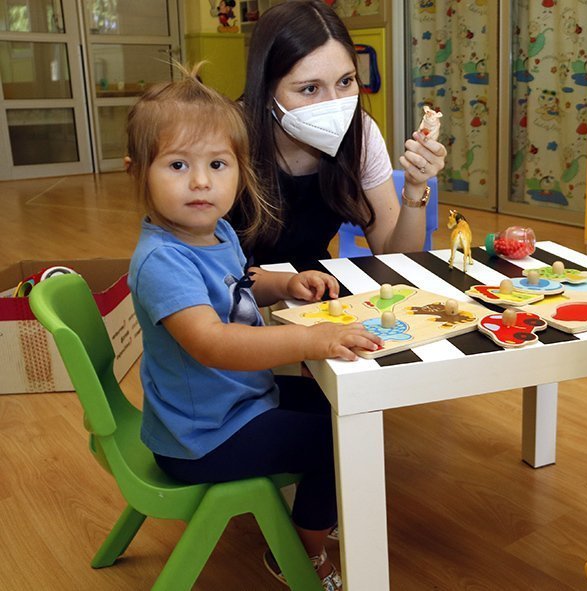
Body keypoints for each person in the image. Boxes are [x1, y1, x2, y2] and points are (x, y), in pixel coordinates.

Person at [125, 65, 382, 590]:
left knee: (343, 408)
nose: (201, 182)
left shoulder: (215, 230)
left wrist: (285, 285)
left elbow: (241, 281)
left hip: (230, 407)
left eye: (217, 164)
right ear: (137, 172)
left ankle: (313, 516)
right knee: (336, 439)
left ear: (240, 171)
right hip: (202, 439)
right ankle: (300, 549)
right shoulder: (162, 262)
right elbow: (214, 343)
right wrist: (312, 338)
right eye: (178, 165)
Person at [233, 0, 447, 266]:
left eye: (345, 82)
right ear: (266, 92)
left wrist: (415, 186)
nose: (334, 105)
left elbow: (396, 256)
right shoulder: (227, 134)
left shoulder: (361, 132)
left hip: (314, 291)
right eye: (310, 89)